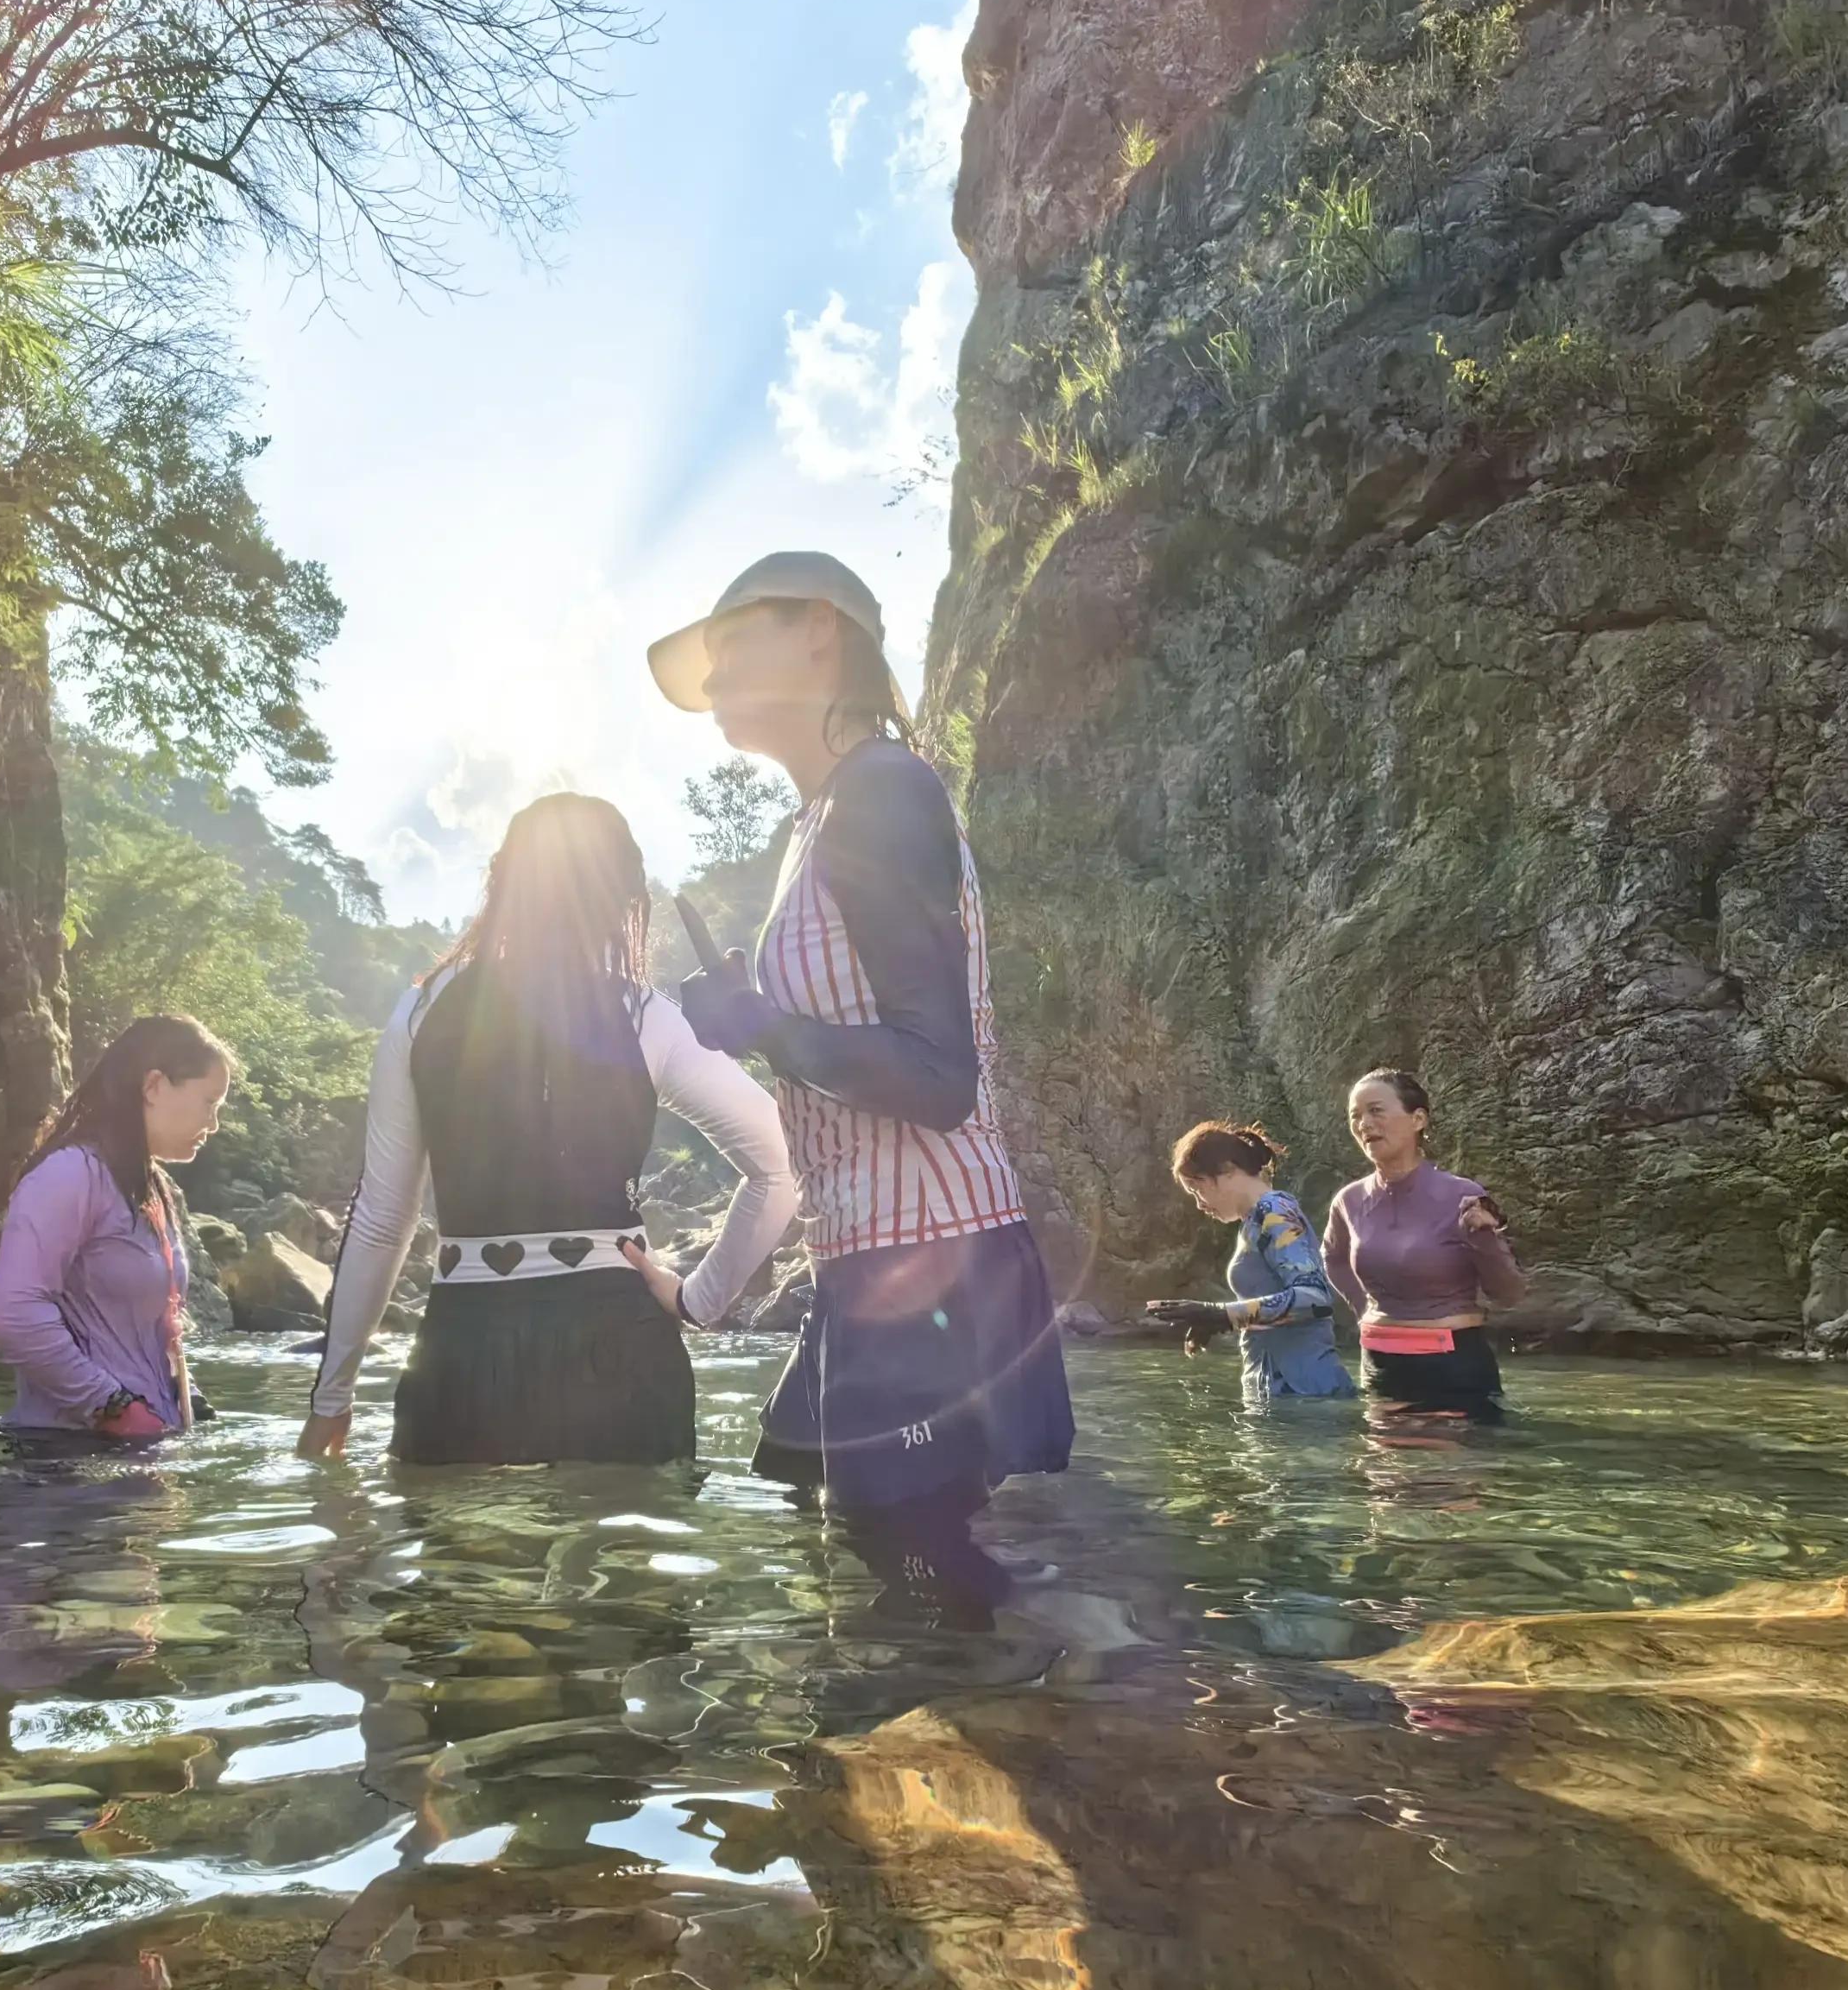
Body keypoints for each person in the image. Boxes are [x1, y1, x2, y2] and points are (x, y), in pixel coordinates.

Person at [650, 549, 1075, 1621]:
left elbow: (938, 1078)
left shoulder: (882, 790)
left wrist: (763, 1026)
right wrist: (762, 1030)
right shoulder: (822, 816)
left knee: (926, 1577)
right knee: (874, 1548)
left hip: (927, 1253)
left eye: (729, 642)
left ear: (820, 632)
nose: (708, 681)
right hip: (872, 1258)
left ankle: (1058, 1731)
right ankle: (975, 1743)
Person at [300, 793, 798, 1466]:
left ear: (502, 884)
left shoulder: (421, 1012)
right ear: (625, 903)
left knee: (462, 1569)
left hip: (462, 1364)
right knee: (626, 1561)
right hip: (620, 1355)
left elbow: (384, 1218)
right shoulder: (644, 1015)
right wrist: (698, 1300)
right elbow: (781, 1162)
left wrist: (332, 1399)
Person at [0, 1014, 233, 1443]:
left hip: (139, 1455)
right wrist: (114, 1410)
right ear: (153, 1086)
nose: (214, 1124)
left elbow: (149, 1332)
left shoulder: (148, 1185)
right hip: (68, 1460)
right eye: (210, 1103)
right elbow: (12, 1313)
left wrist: (189, 1400)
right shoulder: (70, 1175)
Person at [1325, 1066, 1528, 1421]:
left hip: (1451, 1366)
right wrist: (1365, 1311)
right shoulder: (1349, 1200)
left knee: (1450, 1477)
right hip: (1380, 1365)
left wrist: (1485, 1240)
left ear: (1418, 1119)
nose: (1364, 1124)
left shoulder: (1463, 1195)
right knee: (1387, 1476)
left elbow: (1508, 1294)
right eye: (1355, 1116)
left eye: (1376, 1110)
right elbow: (1333, 1258)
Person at [1143, 1121, 1358, 1404]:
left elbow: (1314, 1298)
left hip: (1307, 1396)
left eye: (1198, 1188)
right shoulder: (1253, 1222)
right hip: (1278, 1396)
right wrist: (1216, 1322)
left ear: (1229, 1170)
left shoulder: (1275, 1210)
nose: (1199, 1204)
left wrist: (1223, 1314)